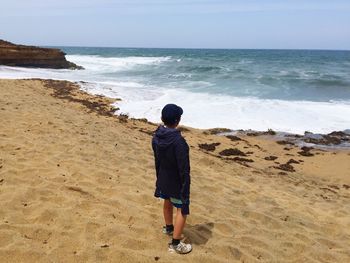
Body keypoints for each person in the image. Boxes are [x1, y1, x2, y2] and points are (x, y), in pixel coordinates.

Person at [152, 104, 192, 254]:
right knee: (182, 209)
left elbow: (157, 160)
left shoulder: (156, 137)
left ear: (162, 118)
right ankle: (175, 243)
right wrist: (185, 187)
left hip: (163, 177)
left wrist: (158, 178)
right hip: (176, 181)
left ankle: (169, 227)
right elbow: (184, 168)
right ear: (177, 120)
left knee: (167, 202)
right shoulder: (178, 142)